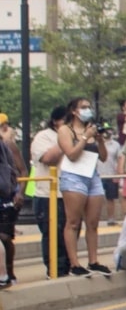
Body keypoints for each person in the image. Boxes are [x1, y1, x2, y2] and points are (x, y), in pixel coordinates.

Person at [58, 96, 111, 277]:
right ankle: (74, 263)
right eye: (83, 107)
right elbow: (71, 154)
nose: (88, 110)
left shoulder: (91, 129)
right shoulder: (66, 130)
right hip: (74, 176)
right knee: (73, 222)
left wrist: (99, 139)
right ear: (74, 111)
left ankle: (93, 260)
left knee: (93, 222)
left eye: (89, 107)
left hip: (92, 175)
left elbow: (103, 157)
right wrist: (84, 137)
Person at [29, 105, 72, 278]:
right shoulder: (43, 137)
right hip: (48, 195)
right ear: (56, 121)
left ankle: (69, 267)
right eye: (66, 120)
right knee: (53, 234)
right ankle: (55, 270)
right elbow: (48, 159)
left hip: (70, 193)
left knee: (70, 233)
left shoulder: (76, 137)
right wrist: (64, 141)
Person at [0, 115, 21, 287]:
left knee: (5, 237)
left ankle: (9, 273)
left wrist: (18, 192)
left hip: (7, 196)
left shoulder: (8, 146)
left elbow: (20, 170)